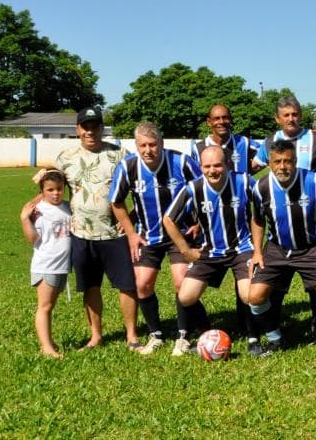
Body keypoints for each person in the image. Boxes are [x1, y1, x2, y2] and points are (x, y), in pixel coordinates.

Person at [109, 122, 201, 354]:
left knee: (182, 283)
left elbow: (205, 187)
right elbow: (116, 201)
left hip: (180, 234)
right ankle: (155, 334)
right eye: (143, 145)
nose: (148, 150)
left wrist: (200, 222)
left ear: (161, 143)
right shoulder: (127, 166)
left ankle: (184, 335)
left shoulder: (180, 162)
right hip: (147, 235)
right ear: (136, 146)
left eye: (153, 144)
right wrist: (131, 234)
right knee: (142, 284)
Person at [162, 145, 262, 356]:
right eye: (207, 166)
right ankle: (197, 333)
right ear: (200, 167)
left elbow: (262, 210)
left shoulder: (244, 182)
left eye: (217, 165)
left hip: (241, 249)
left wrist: (259, 248)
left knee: (249, 294)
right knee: (186, 296)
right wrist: (185, 250)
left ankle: (254, 337)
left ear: (226, 164)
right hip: (210, 252)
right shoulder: (193, 188)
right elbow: (168, 219)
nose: (212, 170)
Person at [54, 106, 140, 351]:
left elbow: (140, 190)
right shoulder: (65, 157)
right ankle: (95, 336)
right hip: (82, 234)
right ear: (77, 129)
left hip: (115, 234)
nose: (90, 131)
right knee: (90, 286)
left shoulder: (122, 155)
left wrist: (130, 220)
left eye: (95, 126)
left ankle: (132, 336)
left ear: (102, 128)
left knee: (127, 285)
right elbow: (54, 189)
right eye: (85, 126)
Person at [248, 140, 316, 358]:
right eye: (277, 162)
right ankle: (276, 340)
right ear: (269, 162)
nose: (282, 166)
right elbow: (257, 220)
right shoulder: (260, 187)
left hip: (312, 248)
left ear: (295, 161)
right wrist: (257, 251)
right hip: (277, 250)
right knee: (255, 296)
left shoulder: (314, 181)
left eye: (287, 161)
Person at [20, 170, 72, 358]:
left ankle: (48, 342)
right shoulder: (38, 210)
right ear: (42, 191)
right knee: (45, 306)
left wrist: (50, 169)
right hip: (46, 265)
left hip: (63, 265)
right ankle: (46, 347)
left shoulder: (67, 207)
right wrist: (25, 219)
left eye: (59, 189)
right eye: (50, 190)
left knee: (51, 305)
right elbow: (33, 238)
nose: (56, 193)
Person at [254, 94, 316, 174]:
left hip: (307, 186)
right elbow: (255, 167)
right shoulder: (269, 141)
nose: (291, 119)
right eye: (286, 115)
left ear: (300, 116)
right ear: (277, 118)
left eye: (294, 114)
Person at [191, 104, 261, 174]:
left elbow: (267, 152)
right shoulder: (198, 148)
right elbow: (195, 176)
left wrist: (248, 174)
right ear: (209, 122)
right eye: (217, 118)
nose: (221, 122)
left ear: (231, 119)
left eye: (225, 118)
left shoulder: (244, 143)